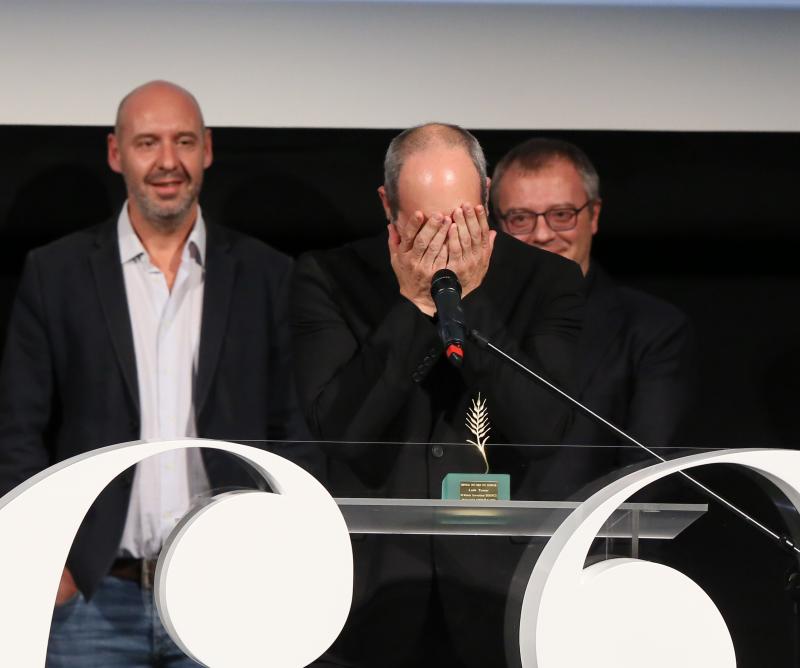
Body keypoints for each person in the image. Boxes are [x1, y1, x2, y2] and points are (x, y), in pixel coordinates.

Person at [0, 80, 307, 666]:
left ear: (207, 150)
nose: (168, 161)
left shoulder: (269, 275)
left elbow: (293, 427)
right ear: (117, 153)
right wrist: (44, 560)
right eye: (147, 143)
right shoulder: (55, 273)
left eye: (183, 141)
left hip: (229, 591)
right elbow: (18, 429)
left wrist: (284, 554)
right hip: (91, 595)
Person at [291, 123, 584, 667]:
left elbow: (544, 429)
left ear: (487, 196)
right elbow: (342, 435)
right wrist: (413, 307)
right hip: (369, 600)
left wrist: (470, 302)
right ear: (388, 205)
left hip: (499, 595)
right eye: (427, 225)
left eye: (464, 220)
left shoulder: (548, 281)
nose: (446, 243)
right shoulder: (329, 278)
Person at [491, 137, 696, 483]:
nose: (542, 234)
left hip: (593, 535)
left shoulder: (652, 329)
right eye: (521, 218)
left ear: (594, 215)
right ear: (497, 225)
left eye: (561, 215)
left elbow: (649, 477)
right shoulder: (471, 322)